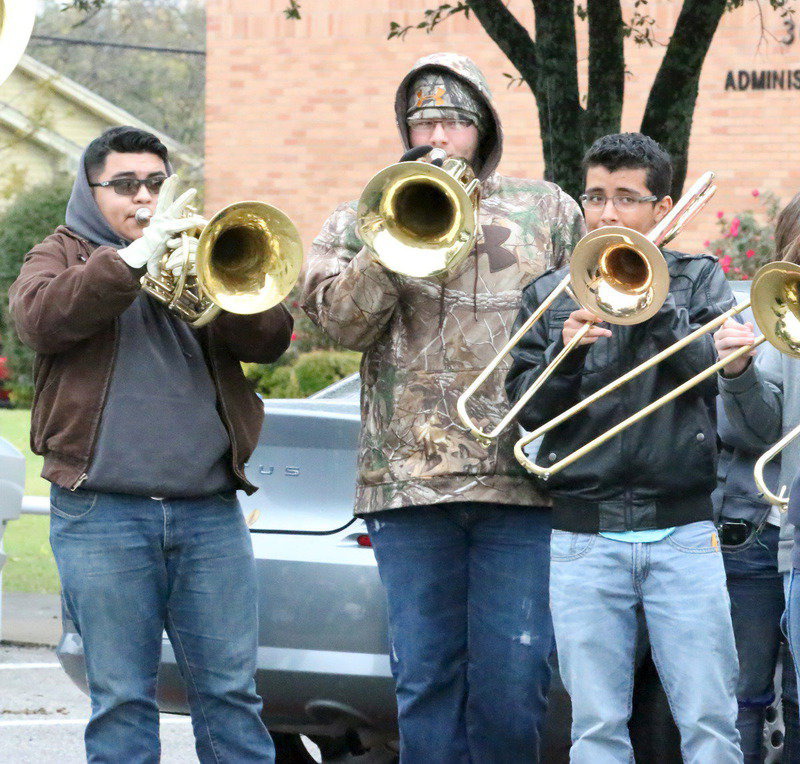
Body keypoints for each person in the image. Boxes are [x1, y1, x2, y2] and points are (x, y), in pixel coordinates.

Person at [302, 53, 585, 762]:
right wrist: (393, 242)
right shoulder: (359, 216)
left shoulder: (547, 208)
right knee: (424, 679)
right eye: (422, 120)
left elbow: (589, 311)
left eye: (454, 121)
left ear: (483, 129)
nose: (437, 133)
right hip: (408, 487)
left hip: (521, 483)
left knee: (515, 680)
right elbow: (338, 323)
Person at [8, 126, 292, 763]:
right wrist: (129, 263)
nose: (143, 199)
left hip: (209, 512)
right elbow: (40, 320)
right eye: (125, 185)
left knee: (231, 695)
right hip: (102, 513)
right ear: (89, 190)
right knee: (121, 699)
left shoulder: (198, 251)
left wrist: (225, 278)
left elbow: (270, 341)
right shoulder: (59, 254)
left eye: (155, 183)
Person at [506, 132, 743, 762]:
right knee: (596, 730)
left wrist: (649, 299)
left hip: (685, 533)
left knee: (711, 724)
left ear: (662, 210)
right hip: (584, 537)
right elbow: (526, 415)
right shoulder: (551, 293)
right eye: (596, 197)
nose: (608, 214)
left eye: (627, 200)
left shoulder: (697, 280)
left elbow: (708, 367)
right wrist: (562, 355)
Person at [715, 192, 800, 760]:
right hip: (754, 530)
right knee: (741, 695)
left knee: (795, 695)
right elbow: (748, 434)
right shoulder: (765, 315)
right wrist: (741, 372)